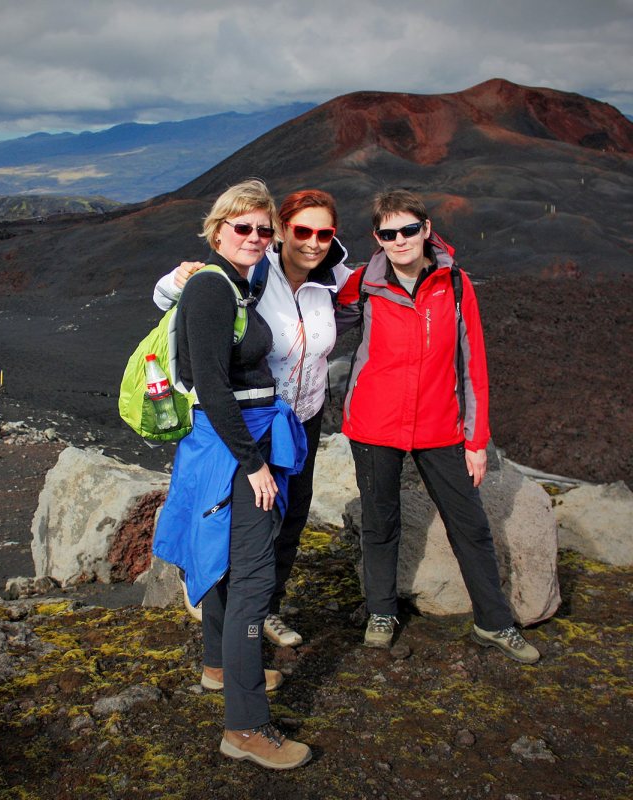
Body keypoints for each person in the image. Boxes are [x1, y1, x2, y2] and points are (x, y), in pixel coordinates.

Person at [336, 189, 540, 665]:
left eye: (409, 229)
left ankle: (495, 621)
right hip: (373, 424)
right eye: (389, 233)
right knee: (380, 523)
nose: (400, 240)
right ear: (377, 238)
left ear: (426, 229)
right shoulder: (364, 283)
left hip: (439, 426)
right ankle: (381, 612)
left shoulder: (456, 284)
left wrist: (476, 440)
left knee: (469, 525)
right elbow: (314, 320)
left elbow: (473, 365)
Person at [152, 179, 312, 769]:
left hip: (231, 442)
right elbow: (215, 388)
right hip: (236, 447)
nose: (254, 237)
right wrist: (255, 465)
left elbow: (326, 255)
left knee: (224, 563)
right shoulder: (213, 290)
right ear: (217, 230)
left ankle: (219, 666)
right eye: (242, 226)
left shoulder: (242, 282)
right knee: (251, 575)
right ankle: (245, 729)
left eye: (263, 229)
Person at [154, 189, 351, 648]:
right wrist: (174, 279)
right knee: (251, 525)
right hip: (253, 420)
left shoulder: (333, 279)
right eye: (301, 231)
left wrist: (430, 249)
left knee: (292, 516)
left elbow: (390, 269)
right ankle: (230, 613)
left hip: (304, 416)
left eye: (324, 233)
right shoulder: (255, 272)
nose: (313, 242)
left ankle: (268, 609)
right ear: (282, 234)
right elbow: (175, 300)